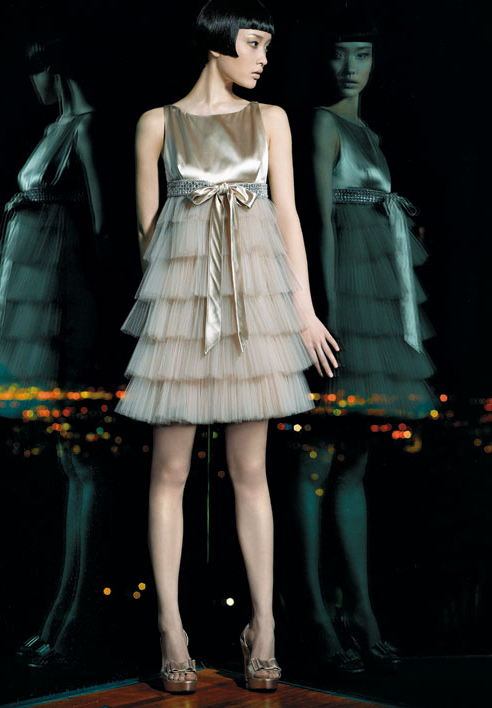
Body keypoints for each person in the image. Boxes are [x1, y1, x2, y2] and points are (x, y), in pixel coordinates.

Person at [116, 0, 339, 693]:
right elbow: (148, 236)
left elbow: (289, 218)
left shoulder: (270, 119)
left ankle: (263, 628)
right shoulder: (156, 123)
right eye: (253, 43)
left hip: (253, 311)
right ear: (217, 43)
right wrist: (168, 322)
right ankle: (171, 629)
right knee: (169, 473)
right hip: (184, 313)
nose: (263, 58)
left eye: (266, 46)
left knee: (251, 473)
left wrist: (303, 311)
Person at [283, 9, 436, 674]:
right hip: (341, 302)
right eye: (340, 52)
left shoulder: (368, 131)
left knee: (354, 465)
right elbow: (316, 221)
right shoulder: (322, 122)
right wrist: (324, 316)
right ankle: (314, 616)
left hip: (377, 301)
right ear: (324, 59)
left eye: (363, 53)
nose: (351, 66)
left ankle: (360, 612)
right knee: (316, 459)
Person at [0, 35, 112, 668]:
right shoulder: (59, 127)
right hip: (43, 313)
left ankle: (76, 616)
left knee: (83, 461)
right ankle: (64, 614)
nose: (31, 84)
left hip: (67, 310)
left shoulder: (84, 128)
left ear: (53, 72)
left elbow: (104, 229)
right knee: (71, 462)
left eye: (36, 71)